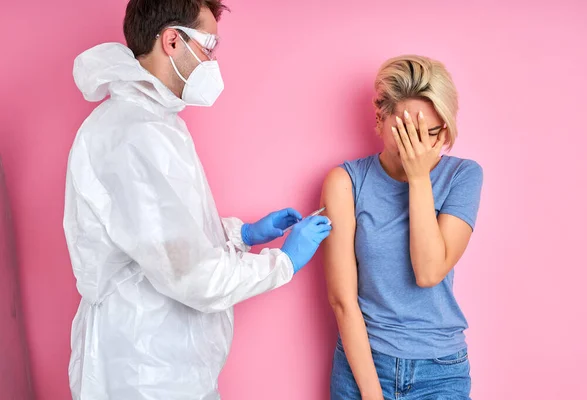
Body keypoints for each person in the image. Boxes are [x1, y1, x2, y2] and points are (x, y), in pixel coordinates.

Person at [63, 0, 332, 399]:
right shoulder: (134, 133)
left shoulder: (155, 122)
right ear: (172, 40)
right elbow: (191, 273)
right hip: (144, 370)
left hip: (164, 361)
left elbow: (167, 238)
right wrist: (283, 263)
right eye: (209, 47)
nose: (212, 60)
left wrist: (243, 235)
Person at [322, 55, 483, 400]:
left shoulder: (463, 176)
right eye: (408, 132)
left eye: (432, 133)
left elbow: (428, 272)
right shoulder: (346, 183)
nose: (420, 147)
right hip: (362, 367)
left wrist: (419, 177)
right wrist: (371, 393)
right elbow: (342, 300)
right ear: (380, 118)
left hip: (440, 370)